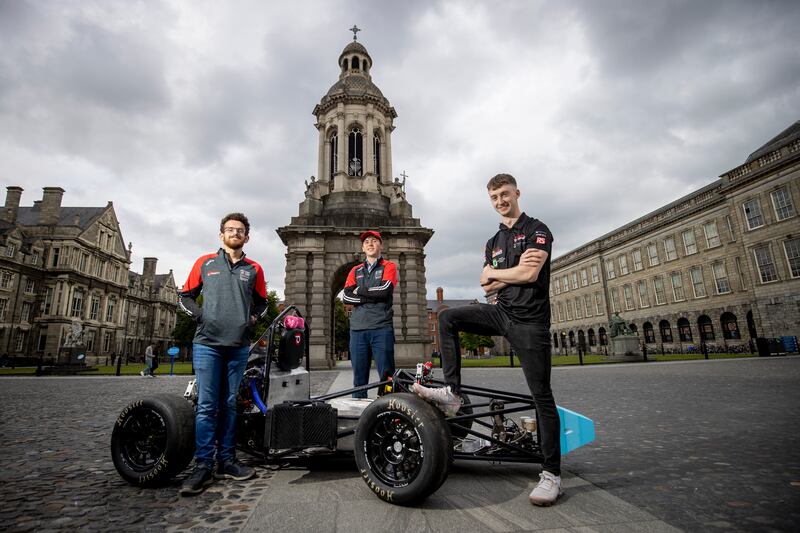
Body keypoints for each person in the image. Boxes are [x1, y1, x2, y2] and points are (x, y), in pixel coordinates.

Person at [412, 173, 563, 506]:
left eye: (505, 194)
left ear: (517, 193)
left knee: (542, 397)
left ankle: (551, 474)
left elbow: (529, 274)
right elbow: (485, 285)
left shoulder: (537, 230)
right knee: (449, 317)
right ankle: (451, 392)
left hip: (530, 322)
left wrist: (500, 275)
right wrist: (502, 276)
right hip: (500, 314)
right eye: (494, 197)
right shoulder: (493, 241)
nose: (500, 201)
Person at [177, 213, 268, 496]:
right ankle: (203, 465)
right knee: (207, 405)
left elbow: (263, 303)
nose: (235, 233)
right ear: (221, 235)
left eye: (240, 230)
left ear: (247, 237)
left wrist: (250, 320)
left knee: (229, 405)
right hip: (207, 344)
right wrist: (202, 317)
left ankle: (226, 461)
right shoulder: (204, 263)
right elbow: (185, 296)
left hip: (238, 344)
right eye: (230, 230)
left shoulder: (254, 268)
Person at [342, 230, 398, 398]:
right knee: (359, 380)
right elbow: (345, 297)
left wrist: (360, 291)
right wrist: (370, 297)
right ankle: (360, 416)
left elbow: (385, 291)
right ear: (363, 247)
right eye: (367, 242)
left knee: (387, 377)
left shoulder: (389, 266)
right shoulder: (355, 270)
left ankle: (389, 409)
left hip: (381, 327)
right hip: (357, 329)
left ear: (381, 245)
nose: (370, 244)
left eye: (374, 241)